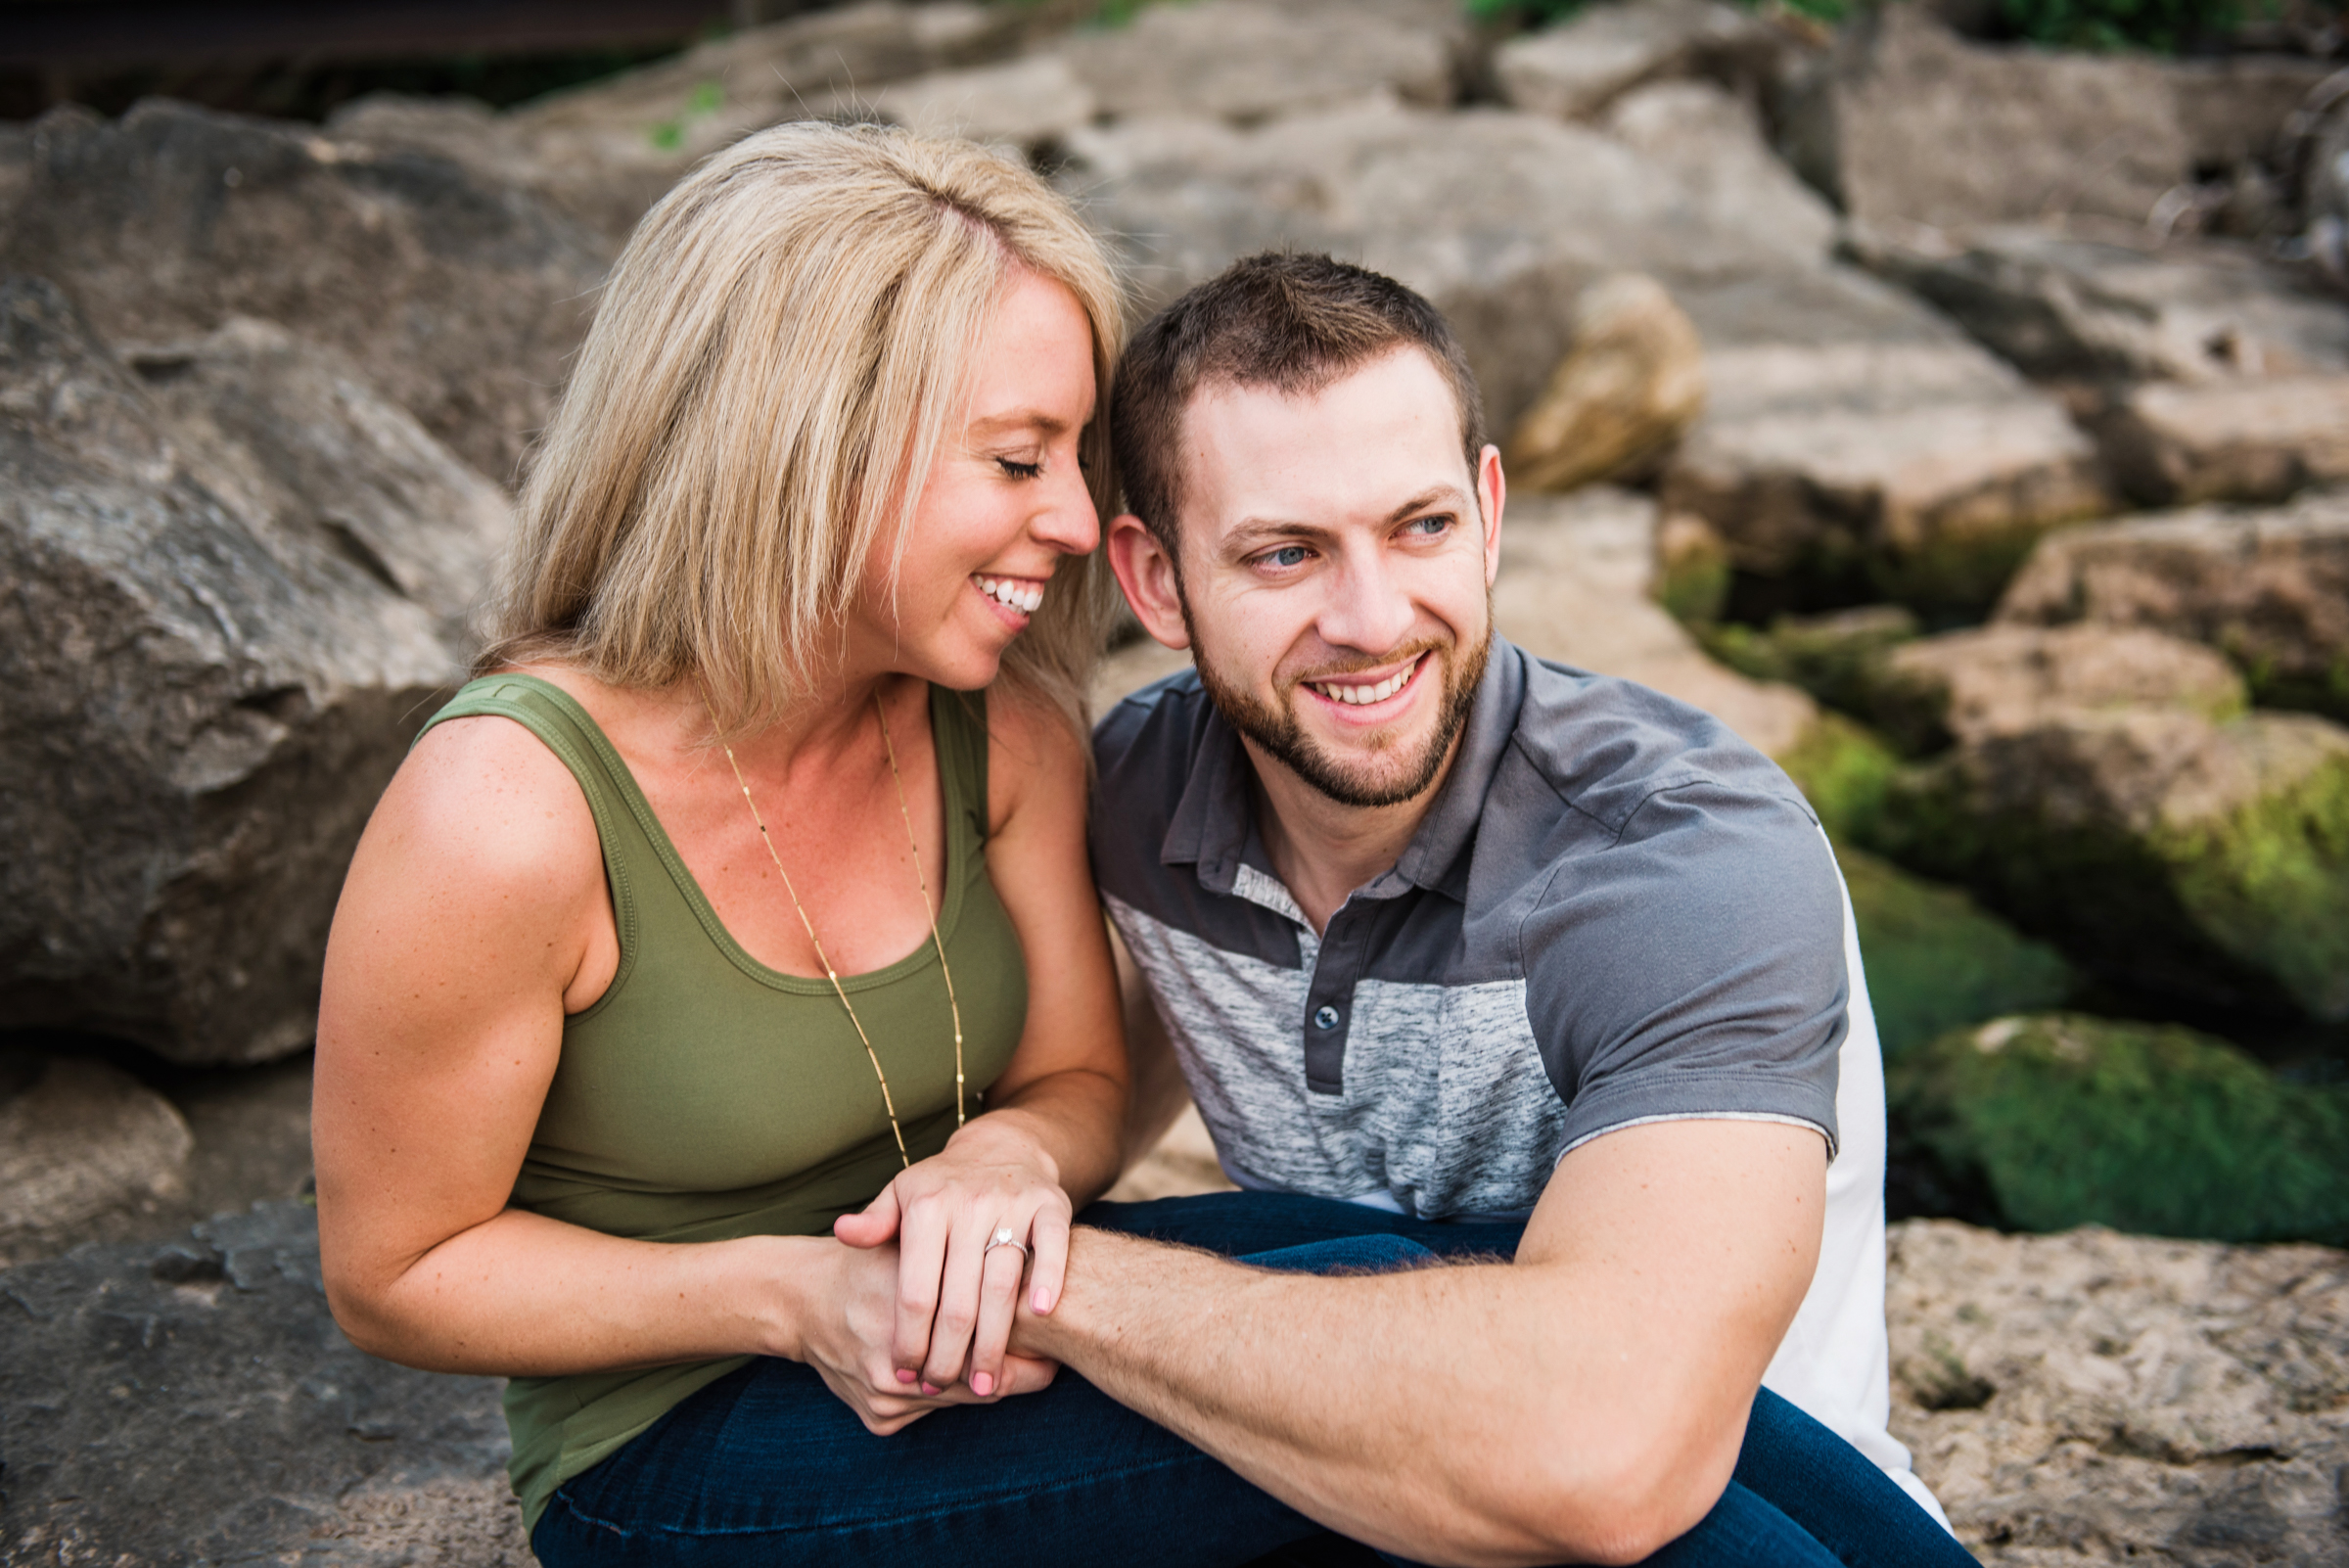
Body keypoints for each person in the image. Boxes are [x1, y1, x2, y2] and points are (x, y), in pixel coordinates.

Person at [318, 120, 1961, 1563]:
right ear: (810, 448)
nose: (1061, 528)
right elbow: (392, 1271)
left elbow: (1075, 1082)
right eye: (1022, 458)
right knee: (1427, 1406)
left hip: (961, 1324)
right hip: (682, 1438)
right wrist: (789, 1294)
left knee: (1420, 1304)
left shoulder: (1004, 731)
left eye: (1073, 463)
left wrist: (1005, 1167)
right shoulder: (509, 806)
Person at [1003, 250, 1972, 1564]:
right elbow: (1132, 1038)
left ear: (1491, 506)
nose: (1372, 616)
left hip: (1731, 1507)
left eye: (1421, 527)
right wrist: (1010, 1162)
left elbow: (1614, 1450)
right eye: (1286, 552)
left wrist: (1049, 1280)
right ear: (1158, 581)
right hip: (1335, 1471)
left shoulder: (1678, 862)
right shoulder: (1140, 797)